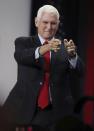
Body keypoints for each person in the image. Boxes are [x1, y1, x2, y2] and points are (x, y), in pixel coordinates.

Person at [3, 5, 84, 131]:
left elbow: (81, 72)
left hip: (57, 112)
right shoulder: (23, 42)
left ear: (58, 24)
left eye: (53, 23)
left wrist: (73, 57)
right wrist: (45, 48)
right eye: (45, 22)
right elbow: (21, 56)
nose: (49, 27)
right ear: (36, 22)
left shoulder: (65, 47)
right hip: (26, 108)